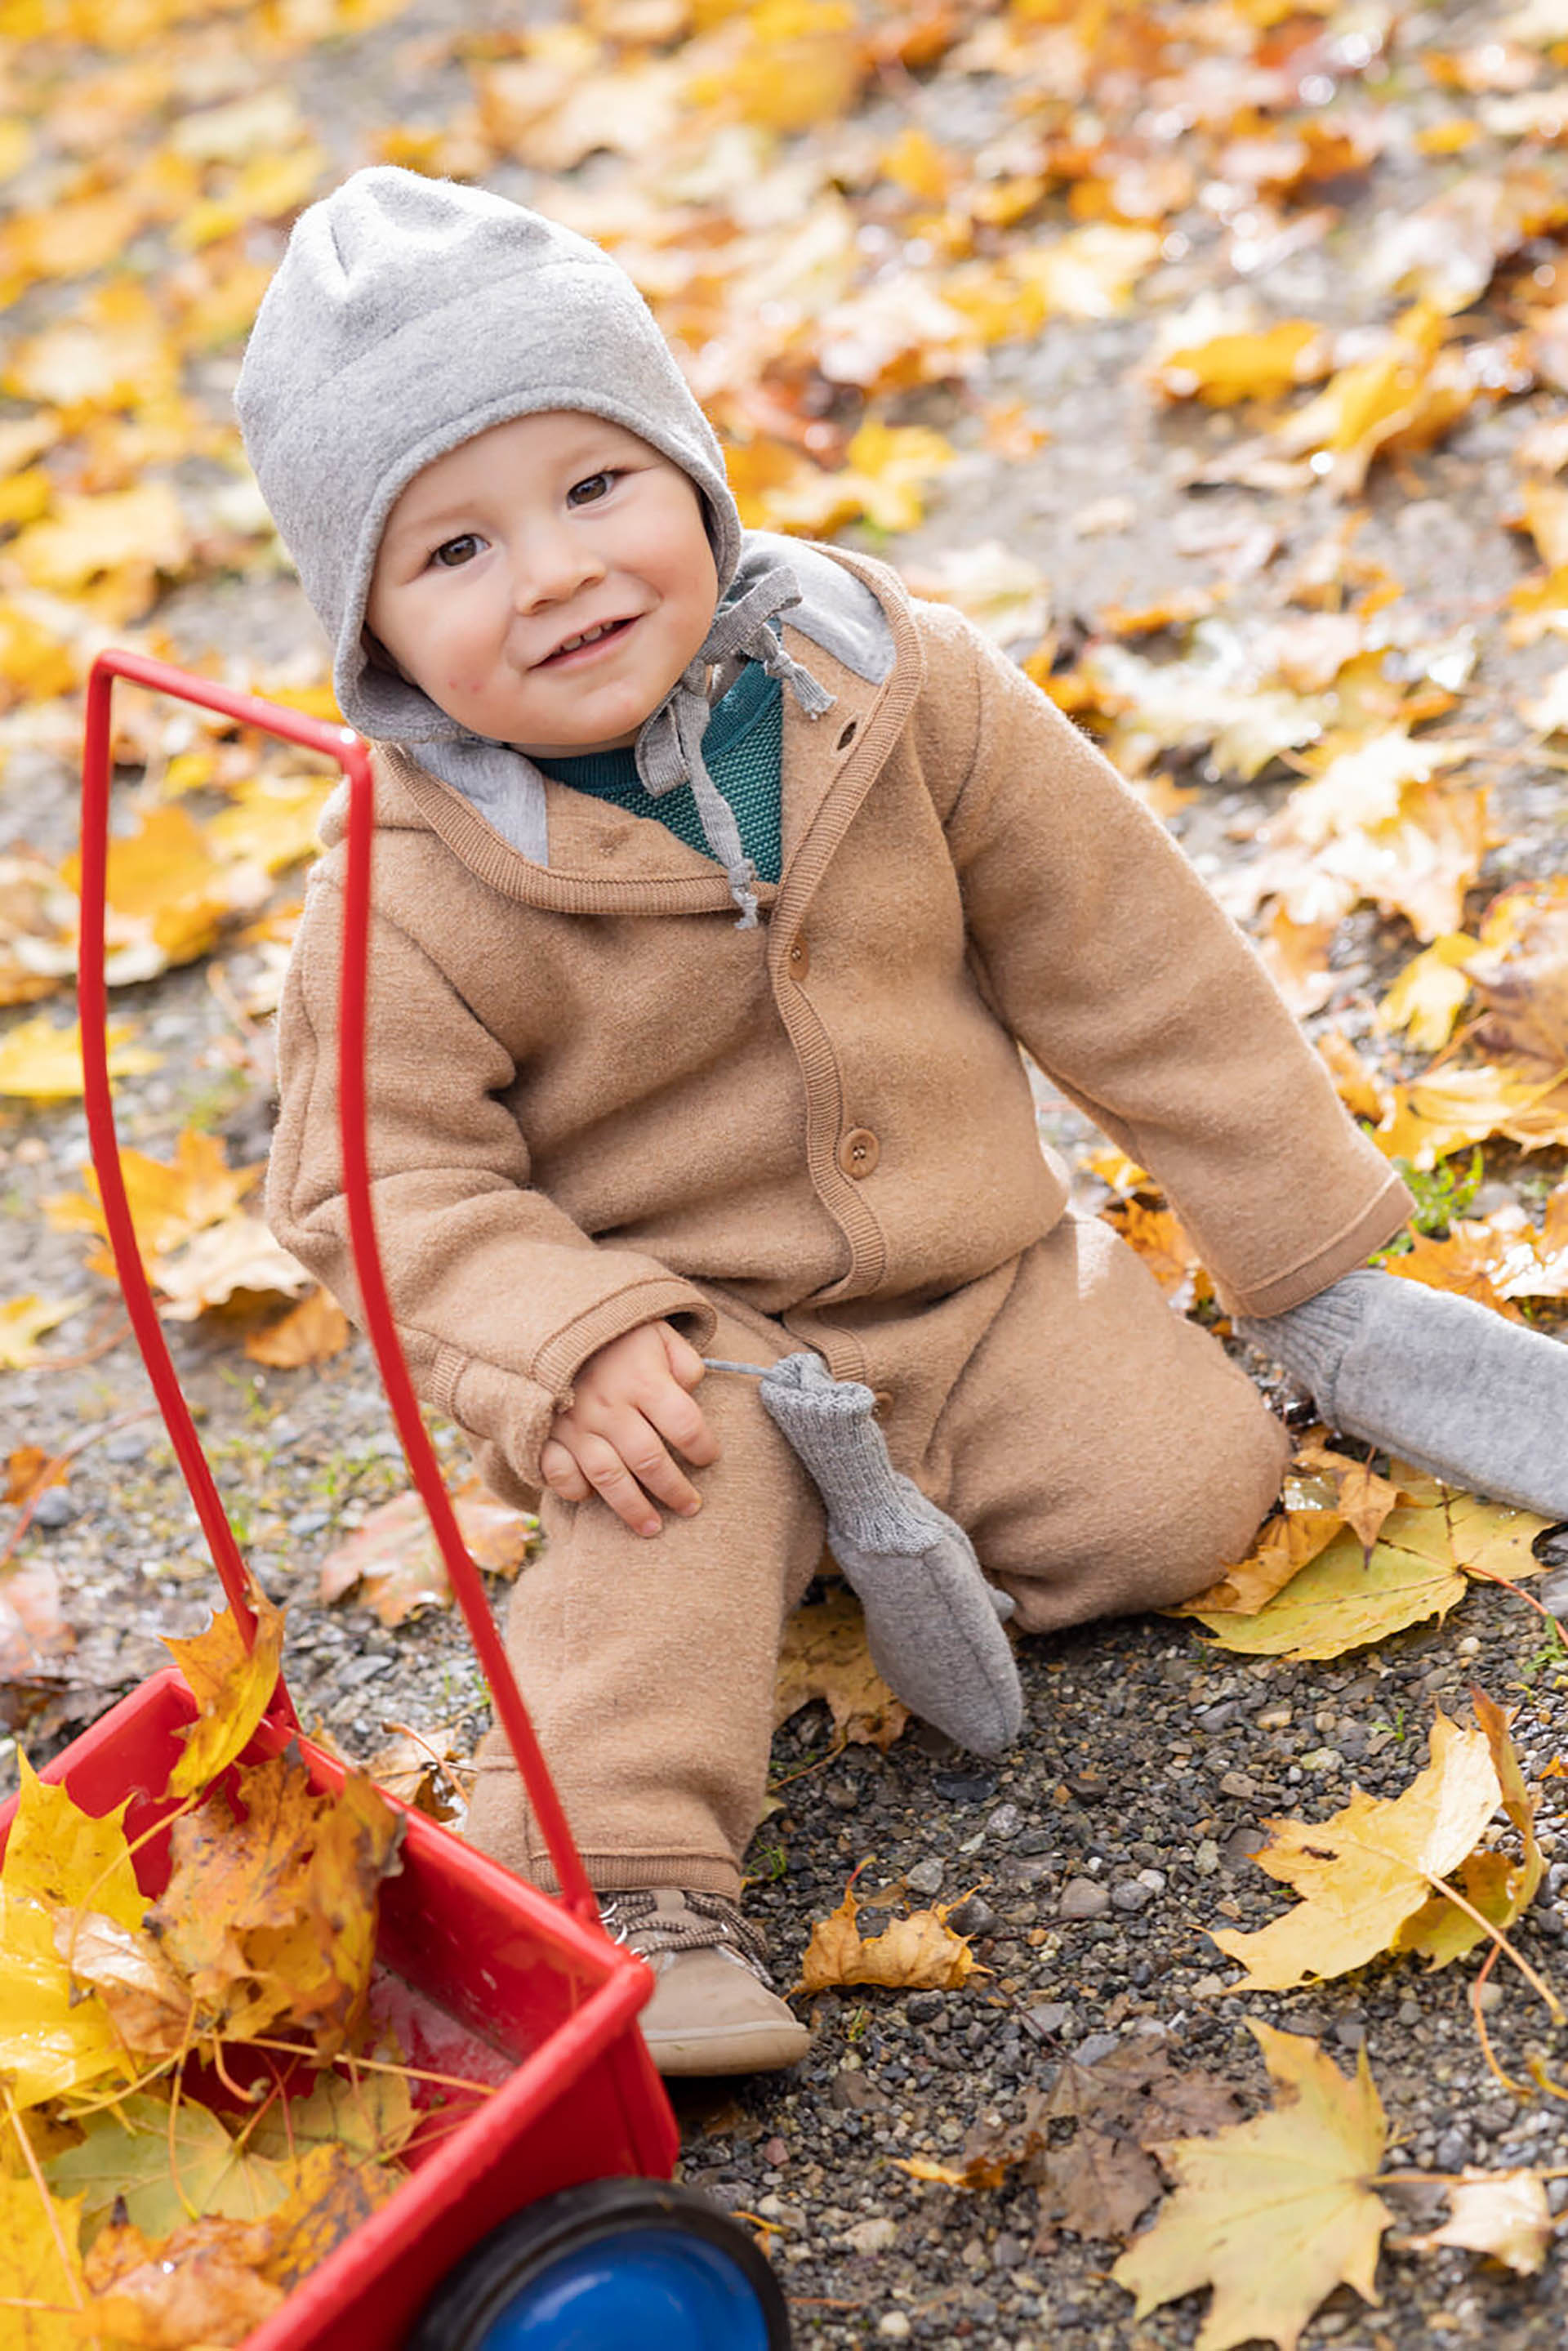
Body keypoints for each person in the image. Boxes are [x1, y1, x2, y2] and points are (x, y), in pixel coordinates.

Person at [236, 166, 1568, 2077]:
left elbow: (1140, 967)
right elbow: (374, 1171)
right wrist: (555, 1336)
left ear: (693, 477)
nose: (553, 571)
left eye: (595, 486)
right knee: (665, 1532)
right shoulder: (406, 878)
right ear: (363, 629)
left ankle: (885, 1516)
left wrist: (1315, 1267)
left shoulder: (891, 685)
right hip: (675, 1342)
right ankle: (633, 1905)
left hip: (971, 1274)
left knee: (1187, 1490)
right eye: (451, 551)